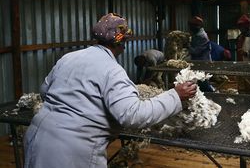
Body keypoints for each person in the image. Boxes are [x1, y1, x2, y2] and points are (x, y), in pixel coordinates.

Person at [24, 13, 197, 168]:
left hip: (38, 136)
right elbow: (133, 115)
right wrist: (175, 95)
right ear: (122, 43)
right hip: (71, 150)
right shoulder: (112, 71)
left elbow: (45, 91)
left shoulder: (68, 58)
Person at [188, 16, 215, 92]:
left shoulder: (202, 36)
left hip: (203, 62)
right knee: (200, 81)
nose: (190, 28)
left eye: (192, 26)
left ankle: (211, 94)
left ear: (198, 26)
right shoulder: (196, 34)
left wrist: (187, 46)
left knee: (203, 81)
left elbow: (196, 51)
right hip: (198, 62)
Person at [235, 14, 250, 94]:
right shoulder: (240, 36)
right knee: (241, 86)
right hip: (240, 64)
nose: (241, 28)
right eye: (240, 26)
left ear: (247, 25)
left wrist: (246, 53)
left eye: (242, 26)